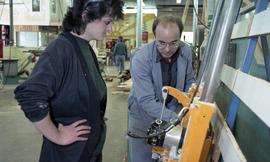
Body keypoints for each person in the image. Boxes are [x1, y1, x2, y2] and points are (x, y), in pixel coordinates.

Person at [14, 0, 123, 162]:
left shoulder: (85, 48)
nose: (110, 29)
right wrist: (57, 135)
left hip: (87, 152)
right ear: (86, 15)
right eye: (107, 22)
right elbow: (30, 96)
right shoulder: (60, 49)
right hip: (67, 155)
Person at [127, 15, 194, 162]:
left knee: (167, 156)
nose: (168, 49)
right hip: (142, 115)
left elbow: (189, 81)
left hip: (170, 109)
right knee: (143, 157)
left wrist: (190, 108)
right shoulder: (141, 58)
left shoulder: (186, 51)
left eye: (173, 43)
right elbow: (146, 100)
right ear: (155, 37)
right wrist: (176, 119)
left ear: (180, 37)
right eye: (161, 43)